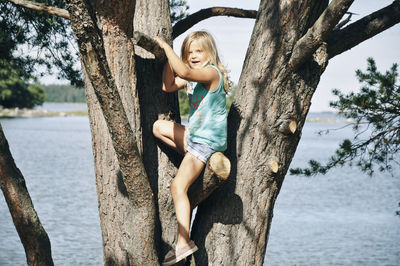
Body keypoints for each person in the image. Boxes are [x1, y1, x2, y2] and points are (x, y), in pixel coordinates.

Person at [153, 31, 229, 265]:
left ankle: (183, 242)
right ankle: (191, 158)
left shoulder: (211, 73)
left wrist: (167, 48)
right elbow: (168, 85)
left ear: (210, 53)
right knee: (158, 127)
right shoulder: (193, 77)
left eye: (199, 51)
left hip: (206, 142)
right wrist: (169, 61)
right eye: (189, 52)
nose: (194, 56)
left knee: (178, 186)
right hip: (194, 137)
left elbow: (184, 72)